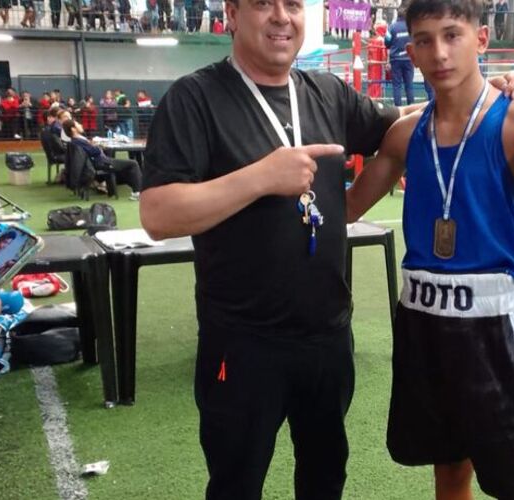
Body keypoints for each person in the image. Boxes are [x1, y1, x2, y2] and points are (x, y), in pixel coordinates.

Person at [137, 0, 431, 497]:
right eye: (262, 4)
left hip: (327, 336)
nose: (281, 16)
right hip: (243, 342)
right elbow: (158, 215)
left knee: (324, 477)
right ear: (231, 13)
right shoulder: (195, 99)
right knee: (236, 482)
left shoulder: (327, 92)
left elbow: (397, 126)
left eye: (292, 4)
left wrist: (473, 97)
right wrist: (260, 178)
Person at [345, 0, 514, 498]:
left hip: (495, 325)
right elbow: (345, 209)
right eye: (424, 40)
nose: (439, 52)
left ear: (481, 40)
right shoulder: (404, 133)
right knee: (449, 466)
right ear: (410, 51)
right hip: (422, 321)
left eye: (452, 34)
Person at [62, 118, 143, 200]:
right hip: (102, 162)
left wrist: (94, 145)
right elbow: (94, 152)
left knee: (128, 168)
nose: (81, 125)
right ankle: (137, 192)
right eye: (78, 124)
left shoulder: (76, 141)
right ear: (73, 129)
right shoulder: (78, 141)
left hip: (100, 161)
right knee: (133, 164)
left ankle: (137, 189)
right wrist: (97, 146)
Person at [385, 4, 415, 106]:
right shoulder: (411, 26)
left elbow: (387, 42)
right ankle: (411, 107)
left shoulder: (392, 27)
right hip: (408, 59)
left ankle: (398, 109)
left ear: (397, 15)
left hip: (396, 59)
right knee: (409, 85)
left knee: (397, 85)